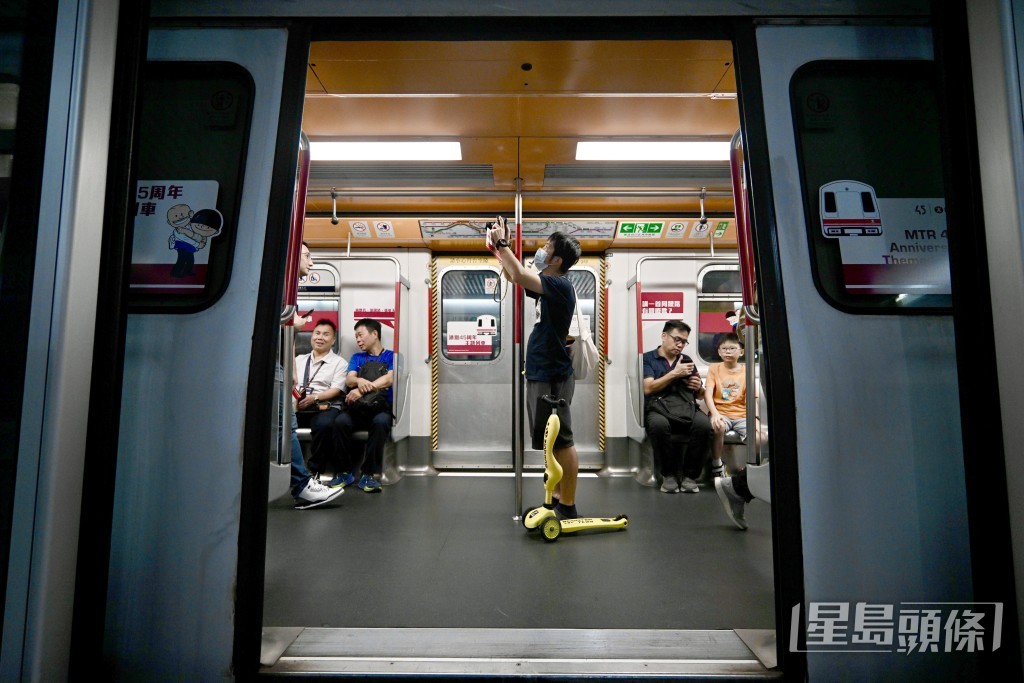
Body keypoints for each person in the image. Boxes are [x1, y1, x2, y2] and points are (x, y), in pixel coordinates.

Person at [487, 221, 582, 519]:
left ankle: (568, 504)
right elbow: (515, 276)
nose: (541, 252)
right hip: (544, 370)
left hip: (553, 373)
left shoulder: (559, 284)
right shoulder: (546, 286)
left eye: (547, 248)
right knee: (550, 440)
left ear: (556, 260)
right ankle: (555, 497)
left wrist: (504, 246)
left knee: (562, 439)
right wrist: (498, 250)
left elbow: (517, 273)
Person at [642, 320, 712, 493]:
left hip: (685, 405)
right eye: (677, 339)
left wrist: (698, 388)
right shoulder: (648, 358)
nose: (680, 345)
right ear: (664, 336)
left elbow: (700, 395)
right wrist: (674, 373)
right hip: (658, 407)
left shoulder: (686, 360)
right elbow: (648, 387)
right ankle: (669, 475)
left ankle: (690, 476)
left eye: (684, 342)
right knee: (658, 426)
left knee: (704, 426)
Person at [329, 318, 395, 493]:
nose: (358, 340)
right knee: (340, 422)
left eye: (360, 335)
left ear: (374, 334)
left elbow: (389, 378)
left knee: (381, 424)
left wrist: (362, 390)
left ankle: (368, 474)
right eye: (356, 337)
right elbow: (350, 379)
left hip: (380, 408)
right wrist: (359, 380)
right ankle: (344, 472)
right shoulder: (357, 358)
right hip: (357, 409)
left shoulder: (391, 356)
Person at [293, 319, 348, 492]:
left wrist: (314, 398)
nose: (320, 337)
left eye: (326, 334)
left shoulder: (340, 363)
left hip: (324, 405)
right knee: (283, 424)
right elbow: (290, 382)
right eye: (317, 333)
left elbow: (336, 390)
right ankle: (290, 469)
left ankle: (314, 470)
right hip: (299, 404)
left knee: (324, 425)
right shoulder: (299, 359)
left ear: (333, 340)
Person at [704, 332, 750, 480]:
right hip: (721, 412)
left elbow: (751, 398)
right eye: (724, 349)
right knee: (718, 426)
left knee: (760, 436)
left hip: (741, 414)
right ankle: (717, 464)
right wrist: (715, 414)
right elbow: (708, 394)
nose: (727, 352)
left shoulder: (747, 370)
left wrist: (753, 417)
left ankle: (751, 467)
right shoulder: (714, 368)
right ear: (718, 351)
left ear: (741, 351)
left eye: (732, 348)